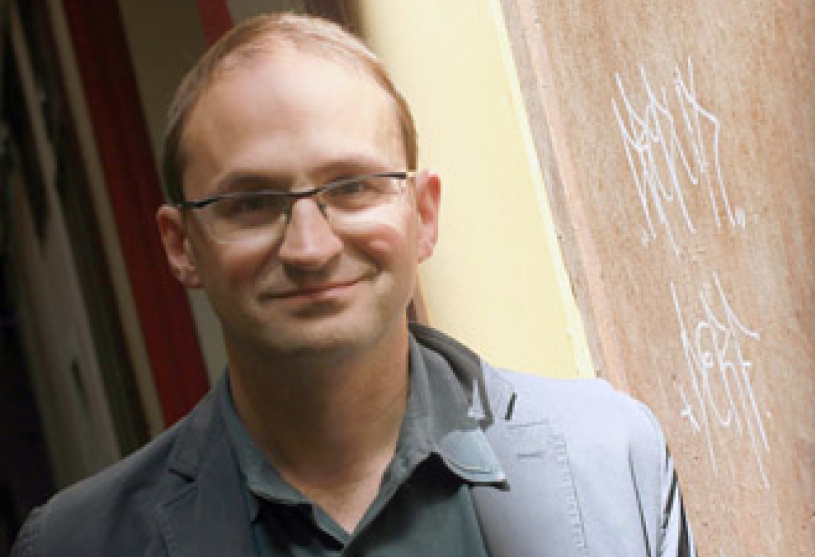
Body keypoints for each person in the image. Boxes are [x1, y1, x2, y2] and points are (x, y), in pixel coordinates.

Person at [13, 12, 695, 557]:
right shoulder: (76, 544)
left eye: (352, 187)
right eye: (251, 203)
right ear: (180, 244)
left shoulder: (611, 458)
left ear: (423, 215)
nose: (309, 248)